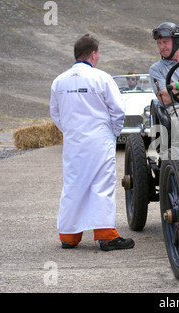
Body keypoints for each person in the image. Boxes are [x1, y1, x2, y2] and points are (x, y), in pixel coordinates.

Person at [50, 34, 134, 251]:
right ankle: (106, 236)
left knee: (73, 184)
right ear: (94, 54)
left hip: (73, 142)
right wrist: (112, 134)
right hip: (99, 140)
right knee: (101, 185)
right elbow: (118, 110)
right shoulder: (102, 78)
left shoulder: (59, 81)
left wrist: (70, 131)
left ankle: (69, 236)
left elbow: (55, 114)